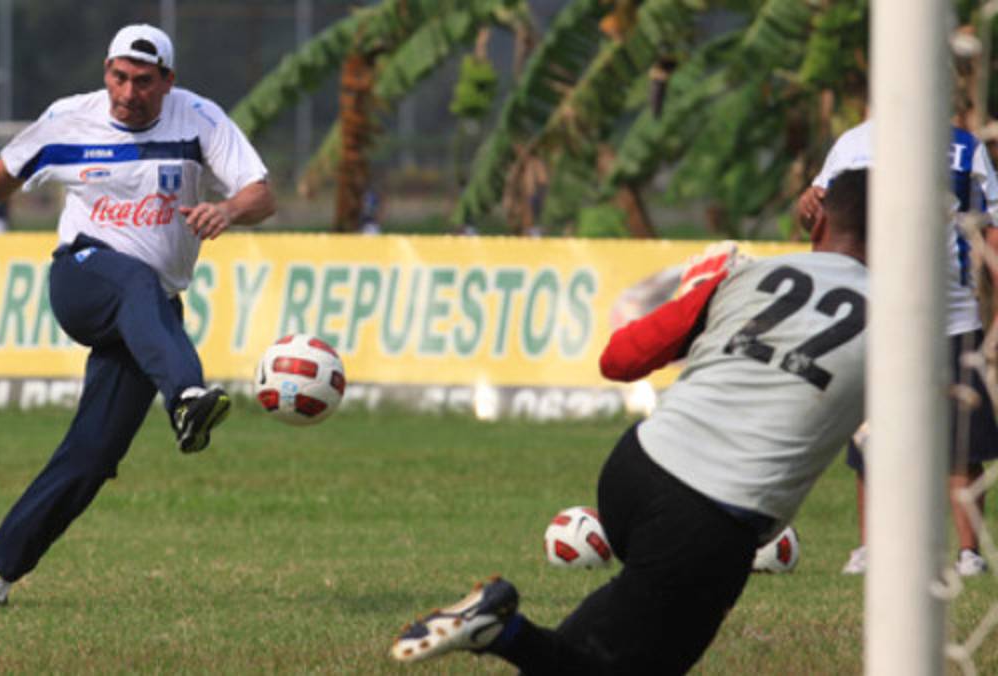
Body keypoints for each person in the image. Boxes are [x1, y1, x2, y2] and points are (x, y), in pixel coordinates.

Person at [391, 169, 870, 673]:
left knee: (603, 647)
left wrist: (702, 296)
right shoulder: (904, 317)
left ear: (815, 223)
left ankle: (501, 627)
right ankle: (497, 630)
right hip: (714, 513)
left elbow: (619, 359)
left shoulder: (746, 275)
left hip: (636, 467)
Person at [0, 24, 276, 606]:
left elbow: (261, 193)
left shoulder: (199, 119)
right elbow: (9, 169)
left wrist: (226, 209)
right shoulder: (70, 118)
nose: (127, 91)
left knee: (93, 455)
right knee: (134, 277)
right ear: (106, 71)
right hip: (82, 277)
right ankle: (188, 396)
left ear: (167, 82)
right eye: (119, 76)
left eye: (143, 81)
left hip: (147, 317)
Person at [798, 117, 998, 577]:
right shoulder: (852, 144)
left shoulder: (966, 148)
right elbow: (815, 214)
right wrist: (806, 206)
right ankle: (871, 549)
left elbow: (990, 228)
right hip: (875, 315)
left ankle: (969, 553)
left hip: (952, 315)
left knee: (962, 442)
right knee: (870, 437)